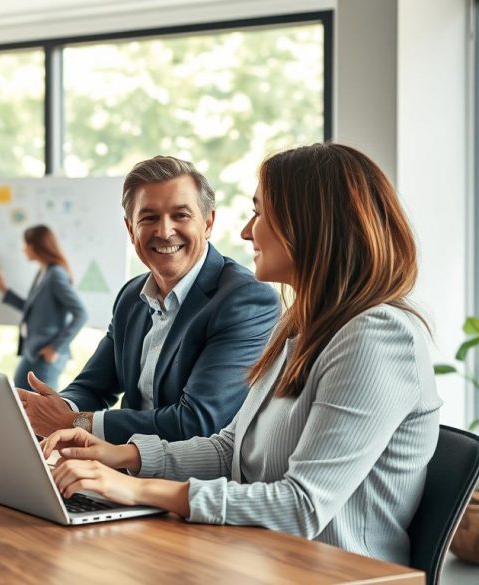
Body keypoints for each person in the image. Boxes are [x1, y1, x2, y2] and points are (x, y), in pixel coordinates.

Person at [41, 143, 442, 565]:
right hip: (261, 559)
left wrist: (133, 488)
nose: (248, 231)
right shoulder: (302, 328)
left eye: (260, 213)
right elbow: (230, 449)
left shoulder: (376, 336)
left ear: (309, 224)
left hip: (331, 572)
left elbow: (301, 506)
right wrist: (124, 456)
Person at [20, 156, 281, 443]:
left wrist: (76, 422)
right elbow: (93, 387)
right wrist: (52, 410)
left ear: (208, 223)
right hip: (119, 474)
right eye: (149, 218)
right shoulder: (131, 296)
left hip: (193, 484)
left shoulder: (245, 299)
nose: (164, 231)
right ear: (131, 230)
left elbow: (198, 422)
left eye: (180, 215)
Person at [0, 224, 88, 390]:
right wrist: (4, 289)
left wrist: (54, 348)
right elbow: (32, 309)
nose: (23, 249)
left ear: (35, 246)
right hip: (33, 351)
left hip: (46, 354)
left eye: (25, 244)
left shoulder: (55, 275)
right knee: (20, 393)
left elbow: (81, 314)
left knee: (41, 407)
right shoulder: (43, 272)